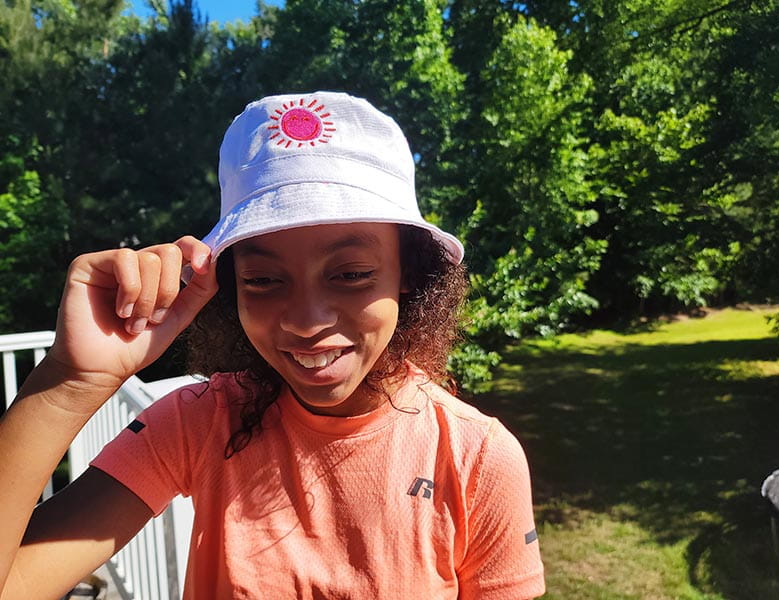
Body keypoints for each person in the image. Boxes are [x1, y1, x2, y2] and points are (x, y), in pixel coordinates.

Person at [0, 91, 545, 599]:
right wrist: (69, 384)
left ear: (409, 272)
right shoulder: (200, 423)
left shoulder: (477, 458)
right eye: (263, 280)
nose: (308, 321)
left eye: (351, 273)